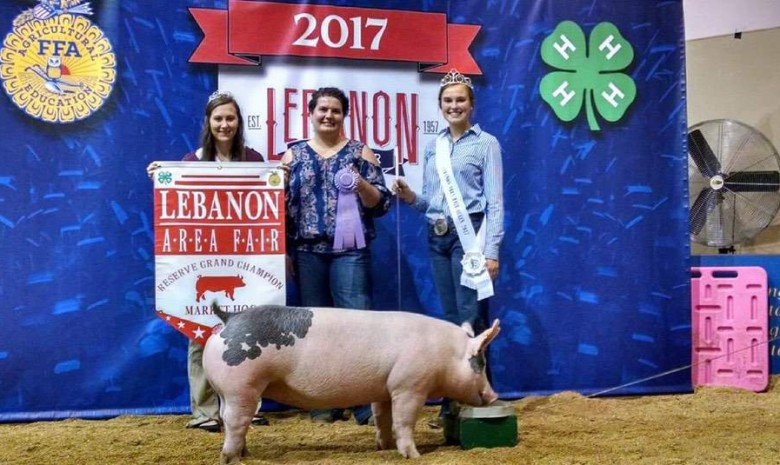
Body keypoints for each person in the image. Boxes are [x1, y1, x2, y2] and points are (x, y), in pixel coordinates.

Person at [146, 91, 268, 432]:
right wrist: (161, 175)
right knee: (199, 332)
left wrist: (278, 178)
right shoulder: (191, 161)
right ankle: (204, 411)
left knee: (248, 336)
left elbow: (268, 207)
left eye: (230, 118)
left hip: (247, 260)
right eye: (218, 119)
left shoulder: (255, 160)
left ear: (238, 122)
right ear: (208, 123)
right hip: (203, 260)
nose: (225, 124)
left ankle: (247, 407)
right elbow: (178, 204)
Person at [393, 70, 504, 428]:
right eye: (447, 101)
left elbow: (495, 202)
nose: (454, 105)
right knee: (454, 321)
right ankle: (464, 397)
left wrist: (492, 251)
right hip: (437, 234)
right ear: (440, 106)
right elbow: (430, 203)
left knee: (471, 320)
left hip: (469, 234)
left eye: (460, 100)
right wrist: (411, 198)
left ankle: (465, 401)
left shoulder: (486, 144)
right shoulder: (433, 145)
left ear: (471, 104)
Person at [281, 87, 392, 425]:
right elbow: (279, 209)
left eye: (335, 111)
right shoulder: (292, 156)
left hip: (350, 252)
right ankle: (322, 403)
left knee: (358, 327)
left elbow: (381, 204)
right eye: (322, 110)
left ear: (345, 115)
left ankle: (364, 404)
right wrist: (284, 251)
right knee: (313, 331)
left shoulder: (362, 153)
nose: (328, 115)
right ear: (311, 113)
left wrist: (359, 183)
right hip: (306, 251)